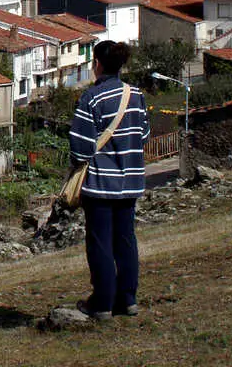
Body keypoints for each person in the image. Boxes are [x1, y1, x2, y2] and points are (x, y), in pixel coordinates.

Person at [68, 40, 150, 321]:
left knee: (100, 243)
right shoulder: (136, 95)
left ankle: (102, 302)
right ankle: (128, 299)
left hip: (101, 183)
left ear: (98, 65)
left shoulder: (92, 98)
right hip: (131, 182)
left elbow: (80, 145)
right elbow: (144, 134)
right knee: (126, 240)